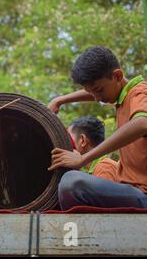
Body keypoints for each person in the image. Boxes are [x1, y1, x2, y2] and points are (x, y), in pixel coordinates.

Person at [48, 46, 147, 210]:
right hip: (132, 192)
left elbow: (143, 123)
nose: (97, 98)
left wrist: (82, 159)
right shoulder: (121, 93)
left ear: (117, 76)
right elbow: (95, 92)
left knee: (72, 182)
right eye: (92, 92)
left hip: (142, 196)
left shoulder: (140, 92)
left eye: (99, 90)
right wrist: (60, 100)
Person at [68, 117, 118, 181]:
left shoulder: (105, 168)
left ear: (83, 140)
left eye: (69, 138)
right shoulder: (90, 169)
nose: (66, 142)